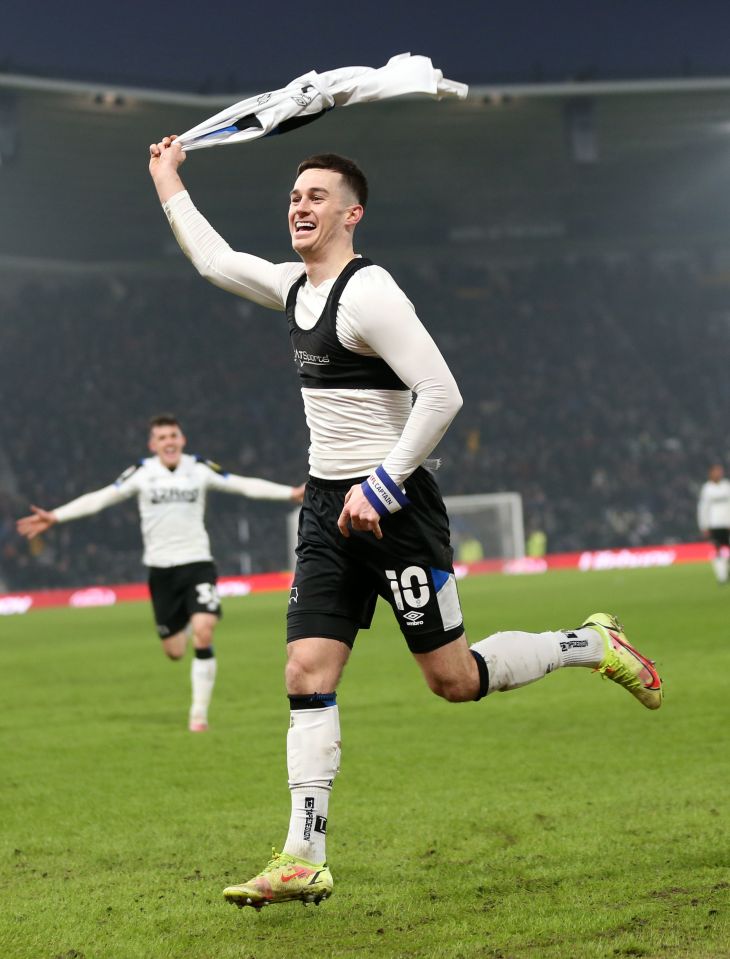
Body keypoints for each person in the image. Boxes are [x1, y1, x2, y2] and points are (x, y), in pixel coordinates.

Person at [148, 138, 663, 908]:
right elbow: (216, 262)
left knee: (451, 680)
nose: (299, 205)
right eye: (295, 195)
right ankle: (303, 854)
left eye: (316, 196)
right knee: (305, 673)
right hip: (327, 510)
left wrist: (384, 484)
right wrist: (167, 180)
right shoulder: (296, 289)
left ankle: (593, 642)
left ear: (351, 214)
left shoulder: (371, 292)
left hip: (395, 508)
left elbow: (442, 393)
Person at [16, 413, 305, 732]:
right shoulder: (142, 473)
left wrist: (289, 493)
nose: (169, 442)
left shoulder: (199, 468)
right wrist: (55, 517)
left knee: (204, 631)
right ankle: (179, 625)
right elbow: (101, 497)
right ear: (153, 444)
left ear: (182, 440)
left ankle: (198, 715)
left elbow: (242, 484)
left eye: (173, 436)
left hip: (197, 563)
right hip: (161, 570)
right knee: (174, 651)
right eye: (162, 437)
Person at [697, 462, 730, 584]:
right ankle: (722, 577)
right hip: (715, 525)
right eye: (716, 471)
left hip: (728, 524)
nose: (719, 473)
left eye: (720, 471)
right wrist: (704, 526)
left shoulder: (727, 486)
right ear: (710, 473)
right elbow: (703, 508)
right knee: (718, 550)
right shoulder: (707, 489)